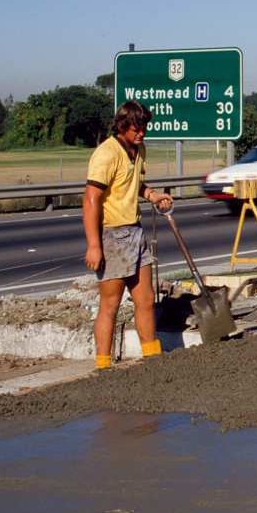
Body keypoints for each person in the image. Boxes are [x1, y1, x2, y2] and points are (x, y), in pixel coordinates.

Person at [83, 101, 173, 369]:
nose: (142, 133)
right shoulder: (106, 154)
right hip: (112, 235)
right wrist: (93, 245)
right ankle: (103, 364)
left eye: (144, 127)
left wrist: (154, 196)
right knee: (110, 303)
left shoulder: (138, 150)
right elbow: (91, 199)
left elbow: (134, 182)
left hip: (135, 230)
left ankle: (151, 357)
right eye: (137, 128)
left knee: (145, 298)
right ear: (122, 126)